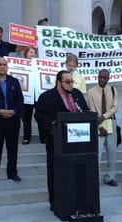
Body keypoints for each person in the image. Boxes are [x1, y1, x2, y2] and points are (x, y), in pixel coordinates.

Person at [34, 70, 89, 211]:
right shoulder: (47, 97)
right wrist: (52, 125)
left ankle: (76, 199)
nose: (71, 84)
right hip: (56, 142)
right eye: (68, 82)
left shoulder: (76, 94)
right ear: (58, 82)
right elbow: (39, 115)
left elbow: (86, 112)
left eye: (72, 81)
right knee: (55, 173)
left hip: (77, 142)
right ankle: (55, 201)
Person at [87, 69, 118, 187]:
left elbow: (115, 107)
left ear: (108, 78)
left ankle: (110, 177)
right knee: (97, 153)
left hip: (110, 122)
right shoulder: (91, 92)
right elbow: (92, 109)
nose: (101, 79)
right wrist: (99, 126)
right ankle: (95, 177)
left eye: (104, 77)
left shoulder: (113, 90)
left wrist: (104, 116)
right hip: (97, 124)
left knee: (112, 153)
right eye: (100, 77)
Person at [21, 46, 37, 144]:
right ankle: (26, 137)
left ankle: (43, 137)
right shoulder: (21, 66)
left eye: (34, 53)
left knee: (40, 115)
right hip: (26, 95)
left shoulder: (38, 65)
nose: (33, 54)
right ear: (26, 53)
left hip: (37, 94)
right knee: (27, 117)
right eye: (31, 52)